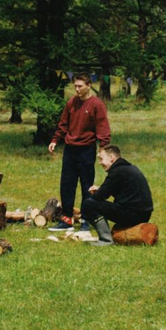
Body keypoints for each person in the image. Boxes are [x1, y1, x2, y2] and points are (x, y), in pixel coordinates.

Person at [48, 72, 110, 230]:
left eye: (80, 86)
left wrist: (102, 148)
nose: (77, 89)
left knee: (86, 186)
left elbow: (102, 127)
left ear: (89, 86)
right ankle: (66, 219)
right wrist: (55, 140)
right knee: (67, 185)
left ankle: (86, 220)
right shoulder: (71, 103)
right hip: (70, 150)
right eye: (75, 86)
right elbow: (63, 124)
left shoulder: (96, 104)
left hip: (86, 150)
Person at [81, 144, 154, 245]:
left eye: (101, 159)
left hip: (133, 215)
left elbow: (99, 197)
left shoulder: (117, 172)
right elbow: (124, 192)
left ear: (111, 158)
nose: (100, 163)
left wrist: (98, 192)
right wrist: (101, 189)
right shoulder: (128, 168)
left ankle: (106, 240)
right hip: (143, 214)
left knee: (88, 204)